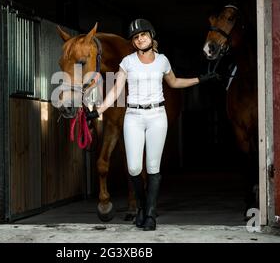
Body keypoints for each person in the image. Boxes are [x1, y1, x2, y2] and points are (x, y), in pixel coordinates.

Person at [86, 19, 217, 231]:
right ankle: (140, 205)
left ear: (151, 36)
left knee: (153, 167)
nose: (140, 39)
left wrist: (199, 80)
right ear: (134, 42)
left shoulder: (162, 61)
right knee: (134, 167)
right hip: (134, 116)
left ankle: (149, 213)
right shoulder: (127, 62)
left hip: (157, 115)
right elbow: (116, 90)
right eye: (136, 37)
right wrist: (97, 111)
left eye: (143, 35)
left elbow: (174, 83)